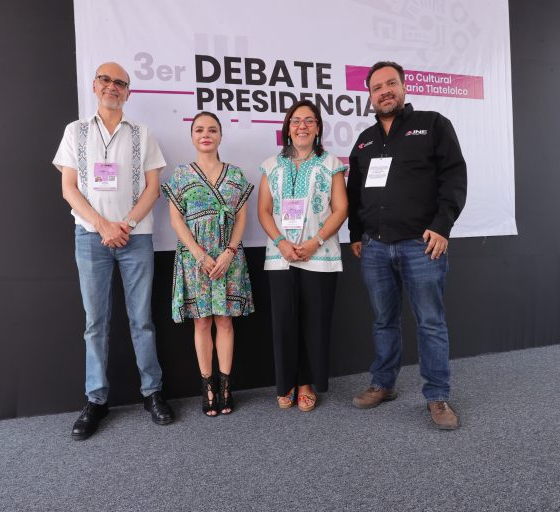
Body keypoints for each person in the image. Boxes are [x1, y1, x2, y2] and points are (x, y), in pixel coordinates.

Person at [53, 62, 174, 439]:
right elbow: (69, 188)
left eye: (120, 83)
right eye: (106, 80)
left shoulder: (143, 133)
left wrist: (126, 225)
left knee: (141, 320)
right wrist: (104, 225)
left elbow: (153, 188)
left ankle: (152, 393)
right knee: (95, 324)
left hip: (136, 238)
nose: (112, 87)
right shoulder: (76, 132)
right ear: (95, 85)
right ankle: (96, 400)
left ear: (128, 92)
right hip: (91, 238)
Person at [347, 61, 467, 430]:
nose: (385, 91)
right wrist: (355, 235)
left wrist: (442, 226)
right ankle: (383, 384)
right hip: (375, 248)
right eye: (377, 87)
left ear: (403, 87)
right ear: (369, 95)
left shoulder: (432, 124)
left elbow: (454, 176)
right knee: (384, 320)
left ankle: (437, 396)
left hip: (422, 244)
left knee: (430, 322)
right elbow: (354, 192)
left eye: (391, 84)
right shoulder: (365, 140)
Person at [162, 112, 254, 416]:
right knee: (201, 321)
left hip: (229, 257)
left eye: (212, 130)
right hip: (195, 258)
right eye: (200, 130)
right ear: (192, 136)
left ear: (220, 136)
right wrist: (199, 254)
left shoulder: (236, 175)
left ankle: (226, 386)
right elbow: (176, 218)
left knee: (225, 320)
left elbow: (242, 216)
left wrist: (229, 251)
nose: (206, 134)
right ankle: (208, 387)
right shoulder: (181, 175)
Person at [258, 100, 348, 412]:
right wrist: (282, 241)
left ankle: (306, 382)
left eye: (309, 121)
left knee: (314, 322)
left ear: (318, 128)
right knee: (284, 321)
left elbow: (341, 209)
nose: (302, 126)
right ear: (287, 128)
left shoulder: (331, 163)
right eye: (296, 121)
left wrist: (316, 241)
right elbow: (264, 211)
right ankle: (285, 383)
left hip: (319, 254)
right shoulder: (271, 165)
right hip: (280, 255)